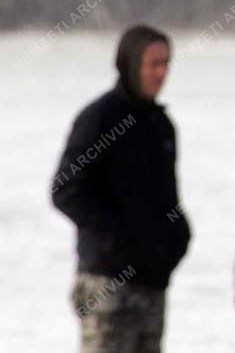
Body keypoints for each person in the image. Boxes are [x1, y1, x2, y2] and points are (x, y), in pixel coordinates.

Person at [52, 24, 191, 352]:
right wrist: (117, 239)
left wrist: (177, 236)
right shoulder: (100, 118)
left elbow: (166, 196)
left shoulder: (160, 125)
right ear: (130, 64)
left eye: (166, 63)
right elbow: (66, 189)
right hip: (107, 283)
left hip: (152, 281)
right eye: (153, 64)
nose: (161, 73)